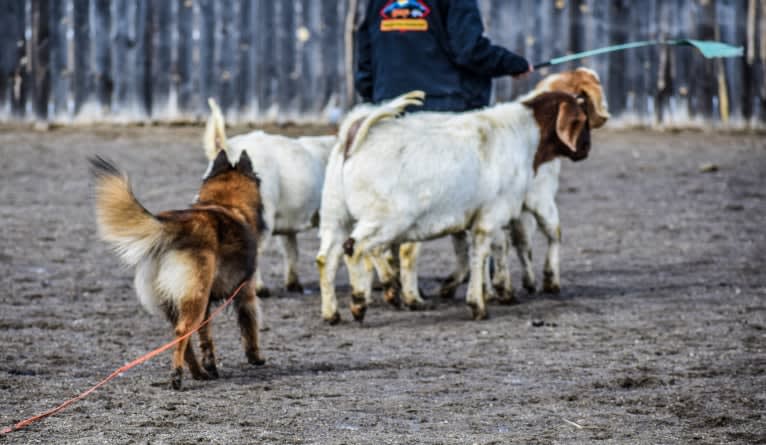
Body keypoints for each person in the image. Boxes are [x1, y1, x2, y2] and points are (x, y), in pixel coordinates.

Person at [355, 0, 533, 112]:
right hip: (446, 115)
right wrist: (512, 64)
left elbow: (365, 56)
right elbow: (469, 51)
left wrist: (374, 98)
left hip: (388, 110)